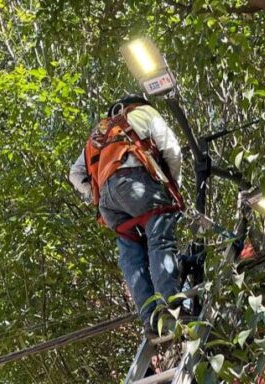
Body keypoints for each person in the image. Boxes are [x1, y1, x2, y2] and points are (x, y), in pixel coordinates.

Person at [69, 95, 183, 337]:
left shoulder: (99, 133)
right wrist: (171, 186)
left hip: (108, 203)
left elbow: (75, 174)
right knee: (160, 238)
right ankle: (168, 311)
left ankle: (150, 320)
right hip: (136, 182)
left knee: (130, 256)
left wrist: (96, 191)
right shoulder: (145, 113)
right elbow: (171, 149)